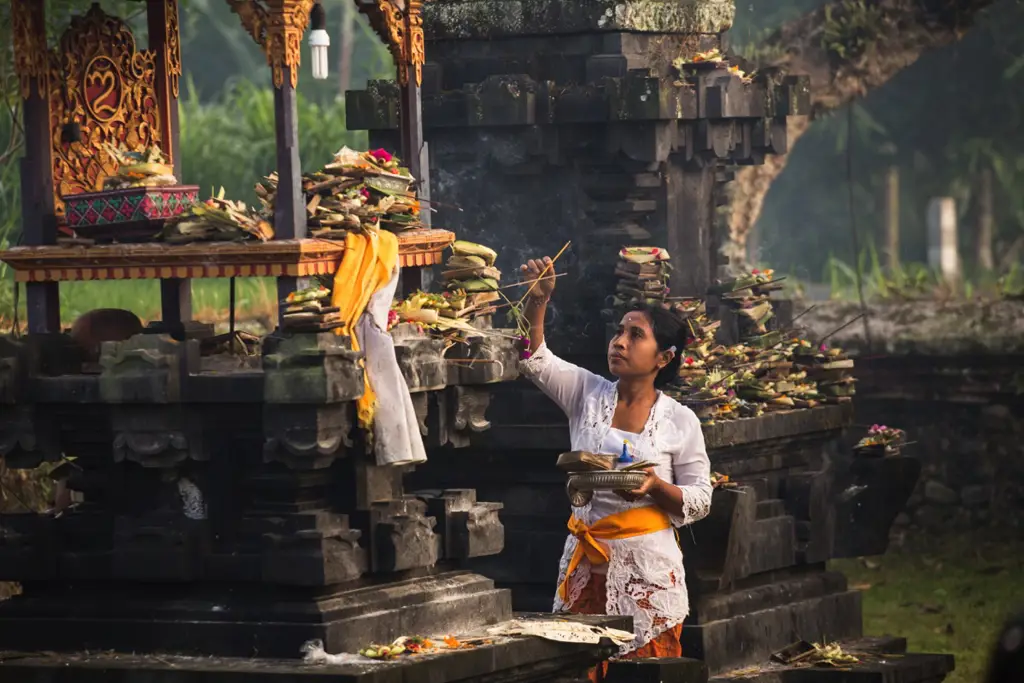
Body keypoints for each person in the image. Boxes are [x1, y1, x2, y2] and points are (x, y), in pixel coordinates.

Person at [518, 257, 712, 679]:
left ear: (664, 357)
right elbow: (534, 358)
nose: (619, 341)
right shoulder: (586, 394)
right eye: (620, 331)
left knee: (642, 673)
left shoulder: (680, 419)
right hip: (587, 564)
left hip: (647, 572)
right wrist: (538, 302)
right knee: (580, 671)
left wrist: (654, 486)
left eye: (635, 335)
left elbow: (700, 499)